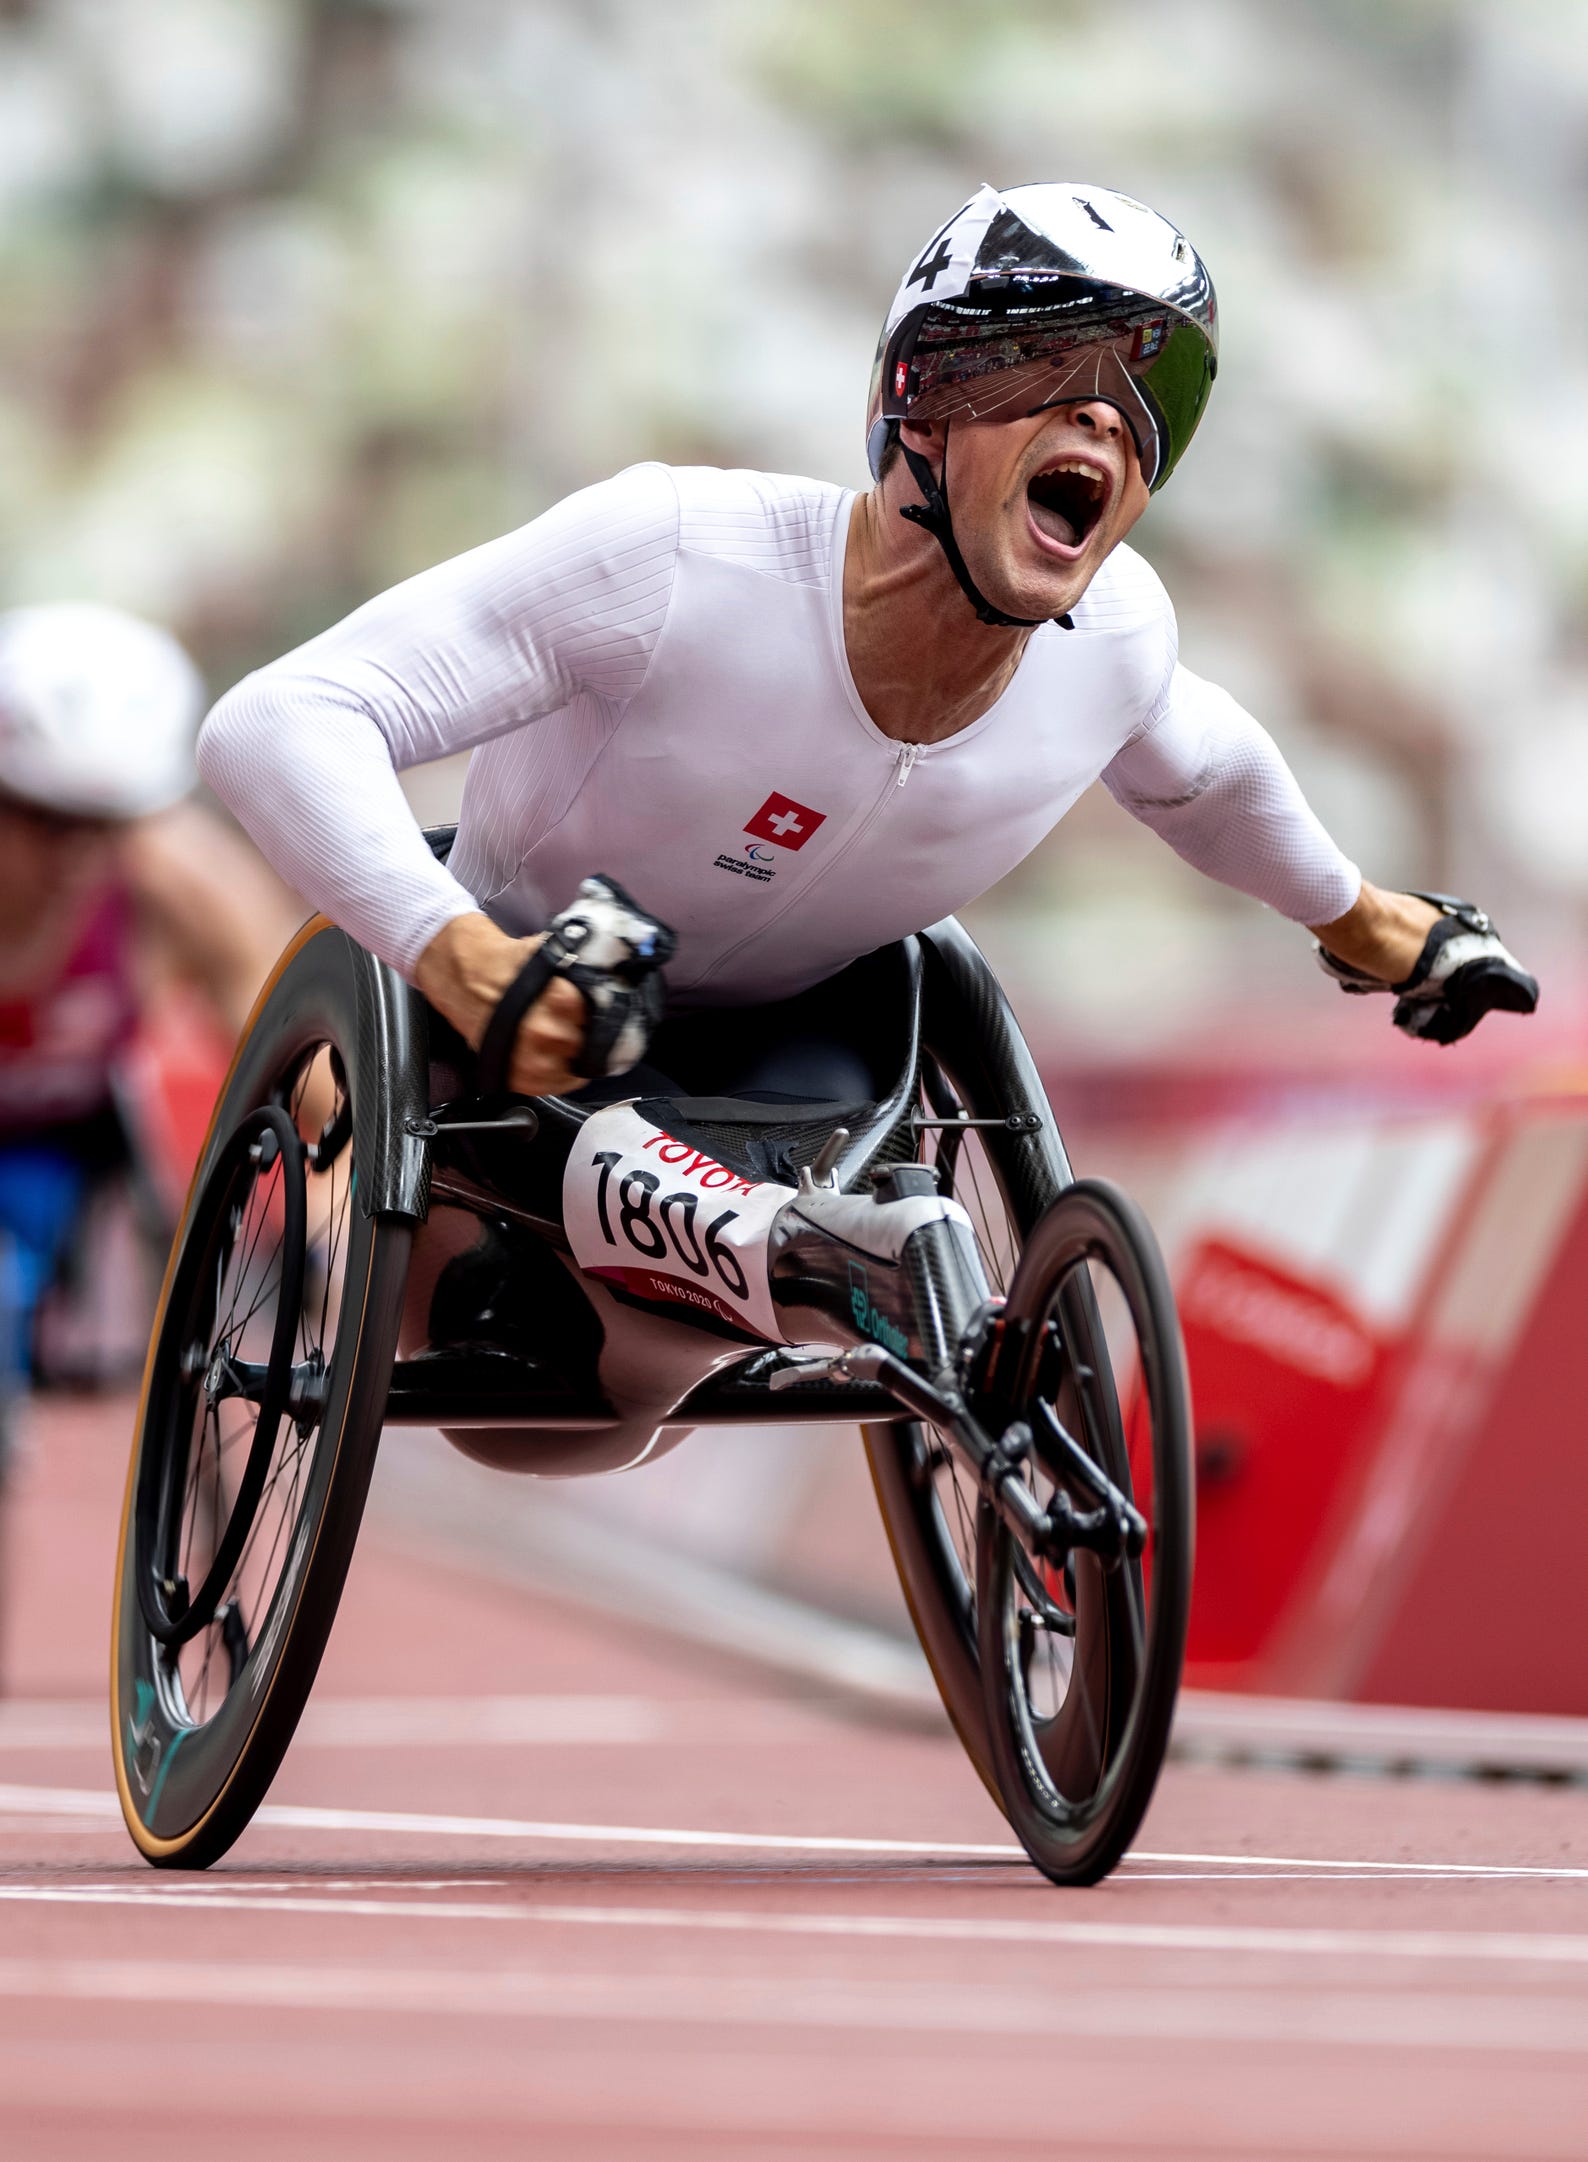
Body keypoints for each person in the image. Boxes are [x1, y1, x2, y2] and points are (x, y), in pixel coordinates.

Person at [194, 181, 1536, 1107]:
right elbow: (276, 719)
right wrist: (448, 945)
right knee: (516, 1349)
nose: (1110, 420)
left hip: (804, 1047)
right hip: (523, 1007)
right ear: (924, 399)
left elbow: (1215, 775)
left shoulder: (1120, 634)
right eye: (1045, 370)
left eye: (1155, 392)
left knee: (846, 1250)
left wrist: (1373, 924)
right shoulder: (670, 551)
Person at [0, 602, 297, 1417]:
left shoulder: (182, 881)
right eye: (43, 819)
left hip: (59, 1157)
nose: (73, 857)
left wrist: (331, 1220)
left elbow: (307, 1064)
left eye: (103, 825)